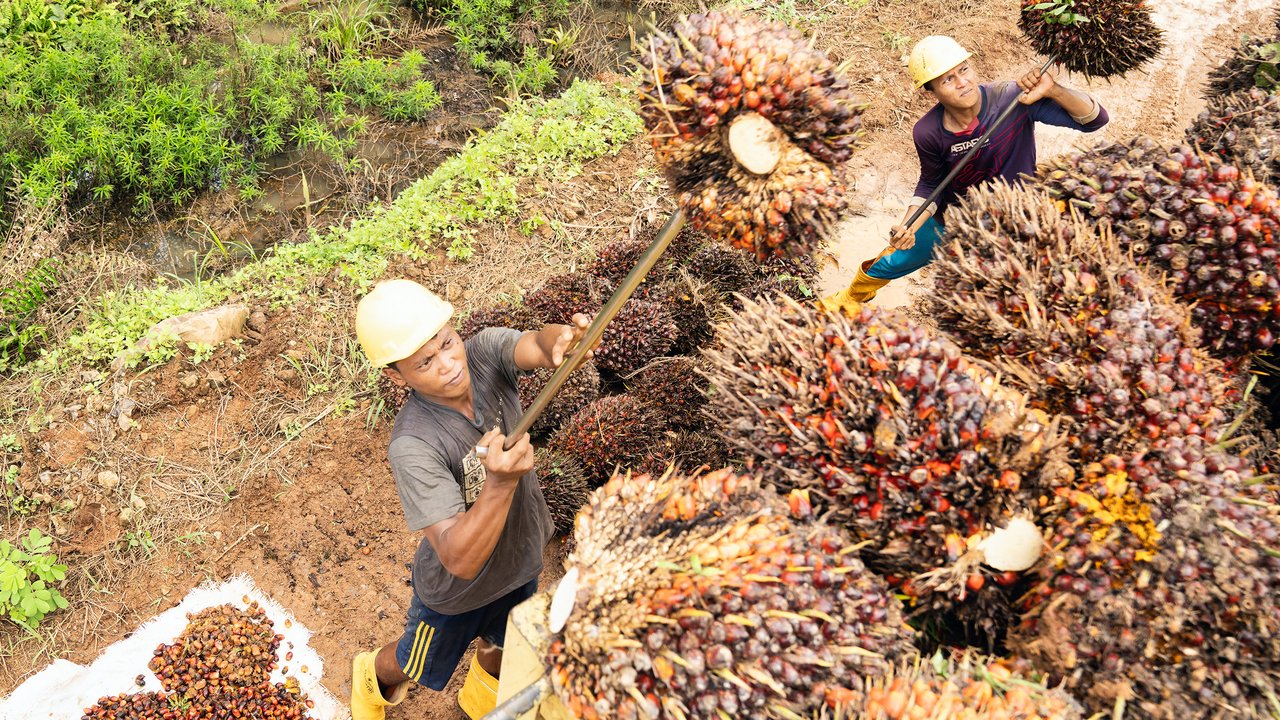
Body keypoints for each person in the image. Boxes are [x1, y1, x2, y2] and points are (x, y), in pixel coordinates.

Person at [350, 278, 592, 720]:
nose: (448, 364)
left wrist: (563, 341)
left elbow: (534, 344)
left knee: (505, 641)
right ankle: (370, 674)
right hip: (454, 597)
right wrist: (499, 485)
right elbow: (459, 559)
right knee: (415, 664)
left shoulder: (482, 354)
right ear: (395, 374)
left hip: (521, 558)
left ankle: (479, 701)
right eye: (425, 362)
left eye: (447, 343)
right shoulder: (414, 444)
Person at [821, 35, 1110, 309]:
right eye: (948, 79)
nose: (963, 82)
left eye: (965, 69)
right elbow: (931, 184)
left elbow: (1094, 120)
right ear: (931, 90)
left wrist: (1053, 90)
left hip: (1014, 220)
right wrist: (907, 226)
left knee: (1007, 288)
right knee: (889, 262)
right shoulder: (928, 131)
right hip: (954, 218)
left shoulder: (1012, 100)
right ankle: (851, 297)